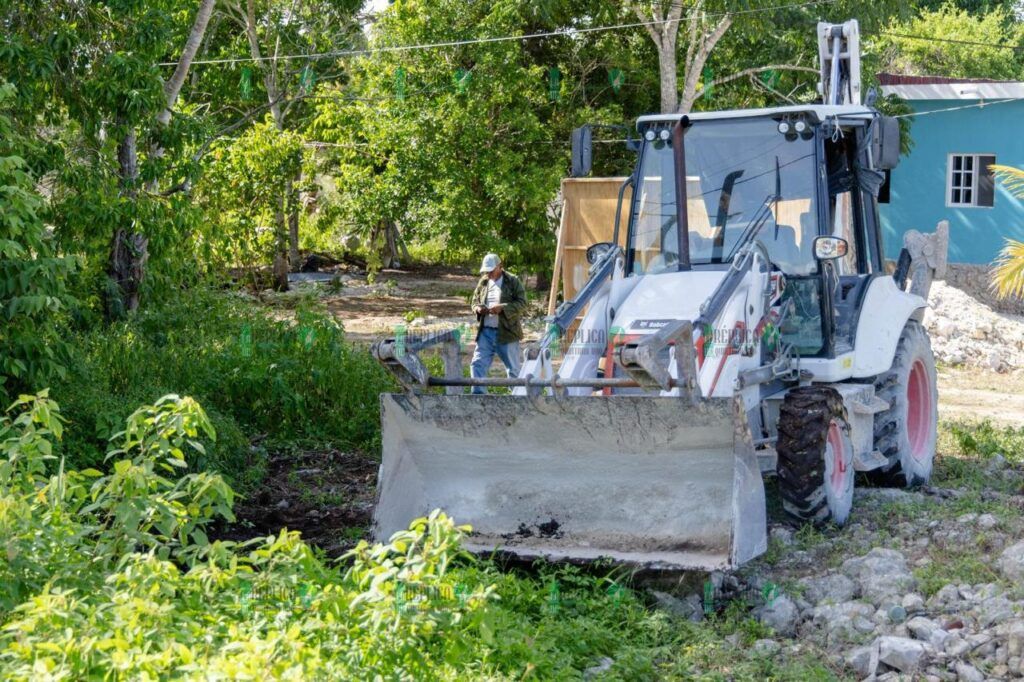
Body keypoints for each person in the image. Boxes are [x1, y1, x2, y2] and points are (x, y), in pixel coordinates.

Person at [470, 253, 527, 394]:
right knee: (477, 364)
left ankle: (516, 398)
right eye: (486, 271)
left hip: (506, 332)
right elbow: (474, 302)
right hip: (486, 331)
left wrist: (503, 308)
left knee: (513, 369)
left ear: (500, 267)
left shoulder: (512, 281)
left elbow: (522, 303)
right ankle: (478, 397)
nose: (488, 273)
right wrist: (478, 309)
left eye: (491, 270)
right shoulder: (483, 282)